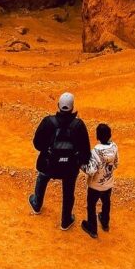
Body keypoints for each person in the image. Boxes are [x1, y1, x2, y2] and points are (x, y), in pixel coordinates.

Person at [28, 92, 91, 230]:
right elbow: (86, 149)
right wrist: (81, 161)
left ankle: (36, 204)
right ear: (72, 107)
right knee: (68, 191)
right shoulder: (78, 125)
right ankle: (65, 220)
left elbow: (37, 143)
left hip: (49, 164)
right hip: (70, 167)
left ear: (58, 106)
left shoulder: (48, 122)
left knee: (42, 178)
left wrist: (47, 151)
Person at [80, 122, 118, 240]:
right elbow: (116, 164)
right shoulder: (114, 147)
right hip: (108, 184)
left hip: (95, 186)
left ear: (97, 136)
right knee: (106, 202)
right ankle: (105, 223)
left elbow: (91, 170)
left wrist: (81, 165)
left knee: (91, 206)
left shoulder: (95, 151)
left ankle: (93, 229)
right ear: (110, 135)